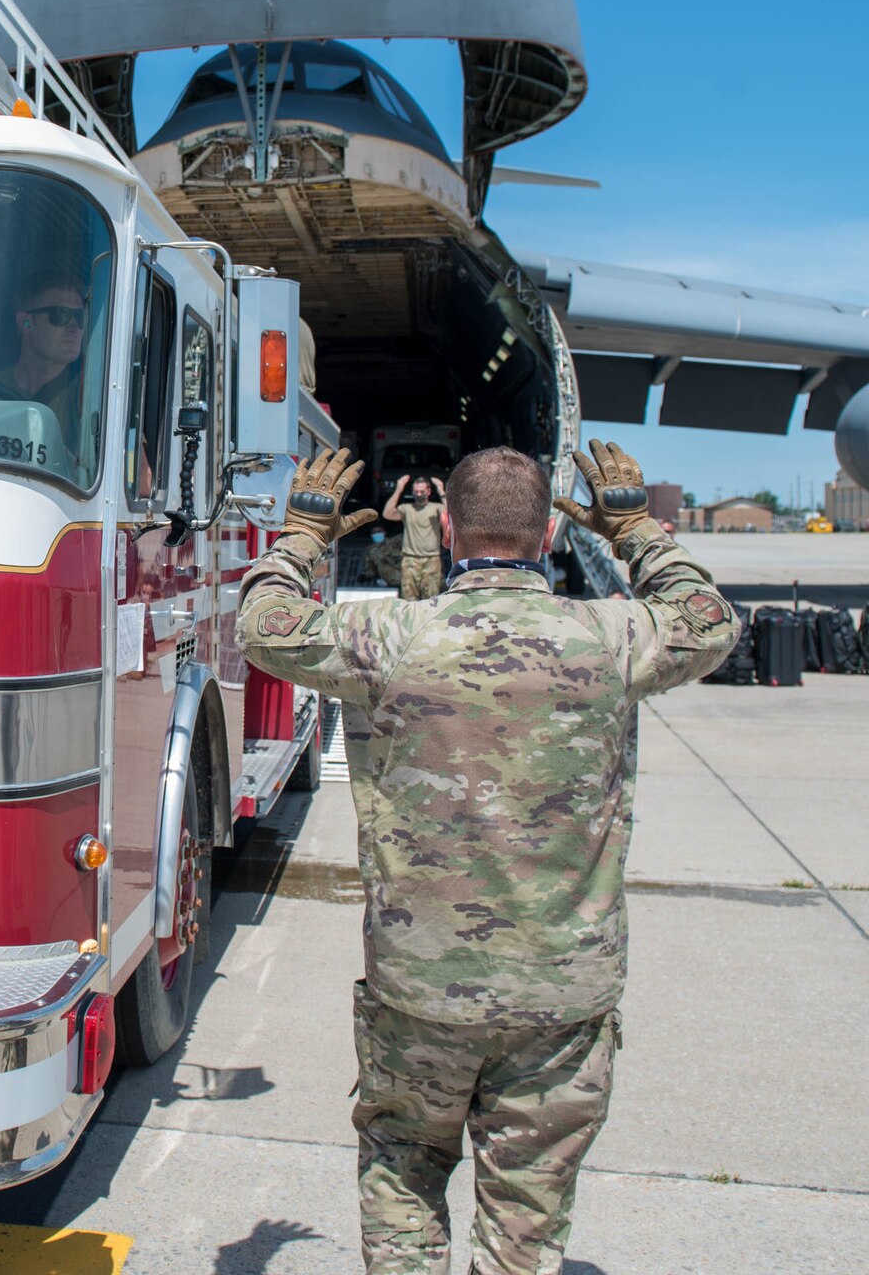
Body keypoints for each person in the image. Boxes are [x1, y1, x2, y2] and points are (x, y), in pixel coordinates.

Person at [236, 440, 736, 1275]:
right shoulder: (611, 636)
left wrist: (302, 534)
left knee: (403, 1171)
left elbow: (262, 627)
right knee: (526, 1213)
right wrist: (636, 529)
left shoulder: (390, 634)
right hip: (561, 994)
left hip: (421, 982)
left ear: (451, 532)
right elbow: (709, 619)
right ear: (547, 536)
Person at [0, 273, 87, 426]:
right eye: (60, 315)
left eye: (80, 316)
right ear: (26, 323)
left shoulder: (89, 396)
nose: (74, 327)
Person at [381, 473, 447, 599]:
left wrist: (441, 491)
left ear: (428, 491)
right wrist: (399, 489)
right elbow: (387, 513)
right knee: (409, 598)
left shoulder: (437, 508)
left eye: (422, 491)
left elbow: (450, 514)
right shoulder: (406, 508)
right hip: (410, 559)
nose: (418, 494)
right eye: (416, 491)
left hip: (431, 559)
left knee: (431, 599)